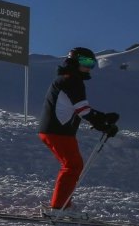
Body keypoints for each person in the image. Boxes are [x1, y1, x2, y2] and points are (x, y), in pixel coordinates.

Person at [37, 47, 120, 217]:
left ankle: (61, 204)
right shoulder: (72, 80)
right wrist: (102, 124)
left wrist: (102, 117)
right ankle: (59, 208)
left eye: (92, 63)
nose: (89, 67)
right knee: (73, 166)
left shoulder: (67, 79)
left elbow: (76, 107)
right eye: (85, 62)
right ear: (74, 61)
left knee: (72, 166)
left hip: (55, 130)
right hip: (58, 131)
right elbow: (82, 110)